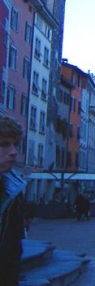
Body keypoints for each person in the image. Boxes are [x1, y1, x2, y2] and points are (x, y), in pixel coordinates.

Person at [0, 117, 27, 286]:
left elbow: (13, 248)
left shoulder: (13, 193)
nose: (13, 151)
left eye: (16, 145)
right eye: (4, 144)